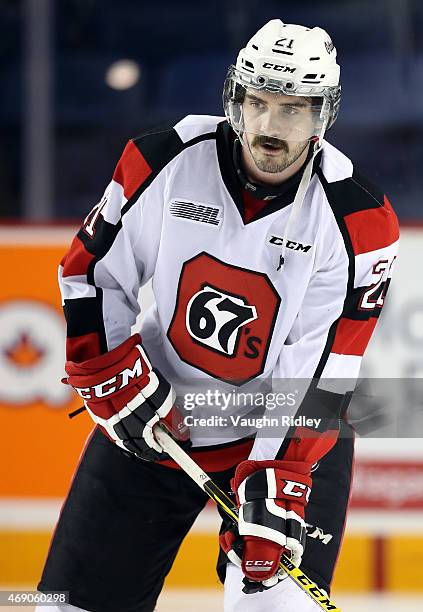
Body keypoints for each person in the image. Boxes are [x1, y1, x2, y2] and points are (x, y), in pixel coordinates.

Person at [37, 18, 399, 612]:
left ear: (323, 116)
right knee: (65, 607)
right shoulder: (165, 160)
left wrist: (280, 479)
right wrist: (107, 372)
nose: (268, 127)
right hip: (155, 415)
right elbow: (93, 272)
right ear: (234, 97)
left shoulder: (357, 220)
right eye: (257, 102)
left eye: (292, 109)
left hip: (288, 435)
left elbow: (322, 368)